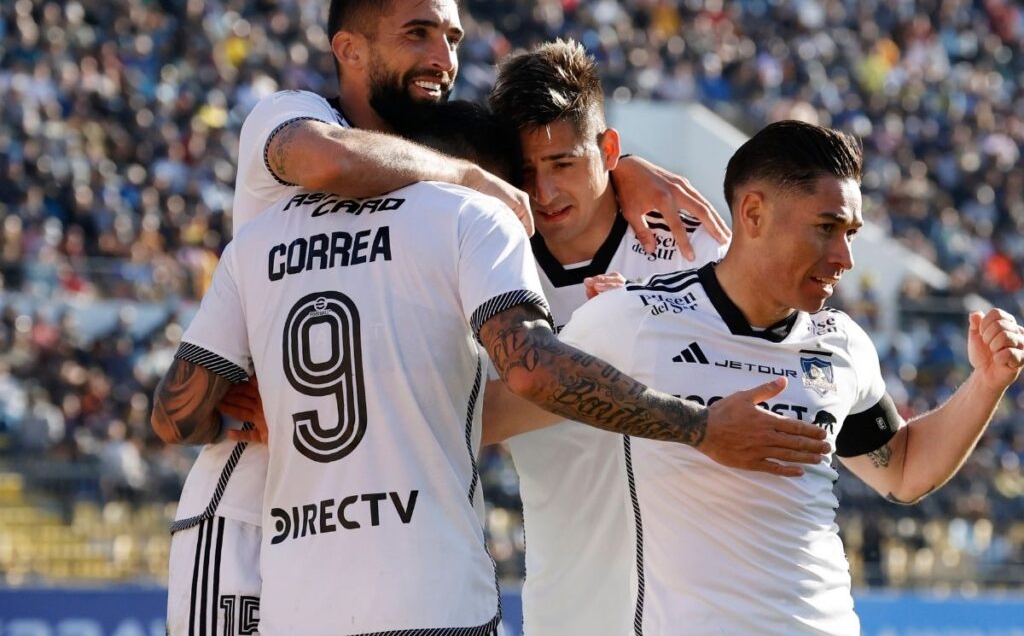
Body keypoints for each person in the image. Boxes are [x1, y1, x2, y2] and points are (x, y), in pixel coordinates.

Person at [162, 0, 732, 631]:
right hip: (249, 515)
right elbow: (331, 159)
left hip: (374, 559)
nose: (443, 56)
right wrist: (477, 185)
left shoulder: (433, 196)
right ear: (346, 48)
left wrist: (617, 171)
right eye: (418, 34)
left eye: (453, 38)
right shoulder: (295, 117)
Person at [149, 105, 816, 635]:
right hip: (428, 585)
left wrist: (262, 405)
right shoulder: (467, 216)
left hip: (294, 581)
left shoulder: (262, 238)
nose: (535, 198)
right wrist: (695, 422)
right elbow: (527, 375)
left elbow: (173, 416)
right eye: (519, 183)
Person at [551, 120, 1024, 635]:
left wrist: (986, 383)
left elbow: (903, 470)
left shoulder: (841, 341)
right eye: (826, 228)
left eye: (850, 234)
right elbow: (515, 398)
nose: (844, 258)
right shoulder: (633, 317)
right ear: (753, 213)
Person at [480, 38, 801, 636]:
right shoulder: (493, 270)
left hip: (706, 610)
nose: (546, 194)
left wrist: (647, 333)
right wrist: (596, 343)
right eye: (527, 172)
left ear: (608, 150)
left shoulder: (694, 246)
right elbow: (476, 419)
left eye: (564, 165)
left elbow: (765, 381)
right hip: (570, 608)